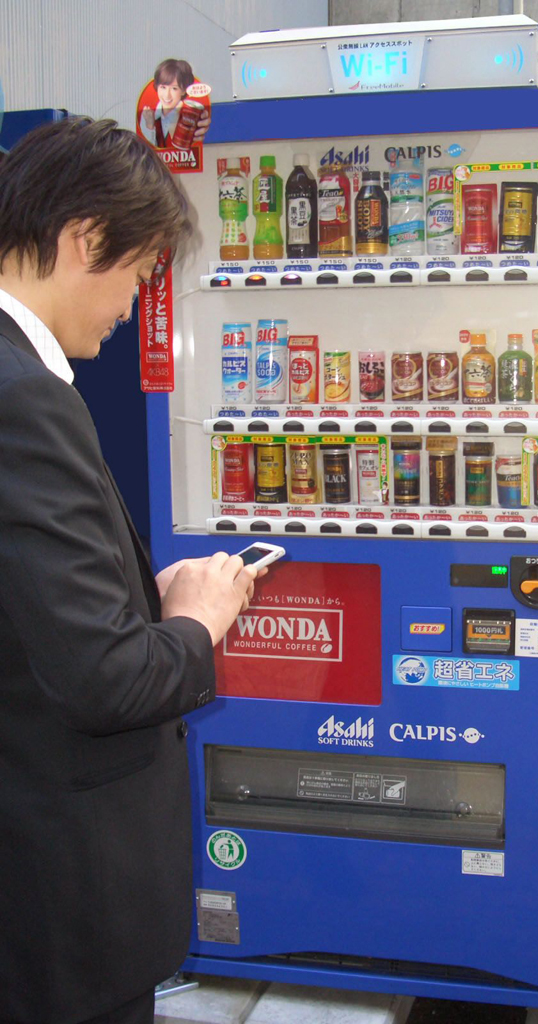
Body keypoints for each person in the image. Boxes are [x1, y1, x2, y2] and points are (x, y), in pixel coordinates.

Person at [0, 118, 260, 1024]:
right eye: (142, 269)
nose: (137, 301)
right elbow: (105, 683)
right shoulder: (25, 400)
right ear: (84, 238)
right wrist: (198, 621)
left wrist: (130, 602)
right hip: (59, 906)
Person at [139, 58, 209, 148]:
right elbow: (145, 150)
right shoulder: (147, 115)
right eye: (163, 87)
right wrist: (150, 126)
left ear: (183, 90)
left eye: (174, 88)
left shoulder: (190, 115)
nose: (167, 95)